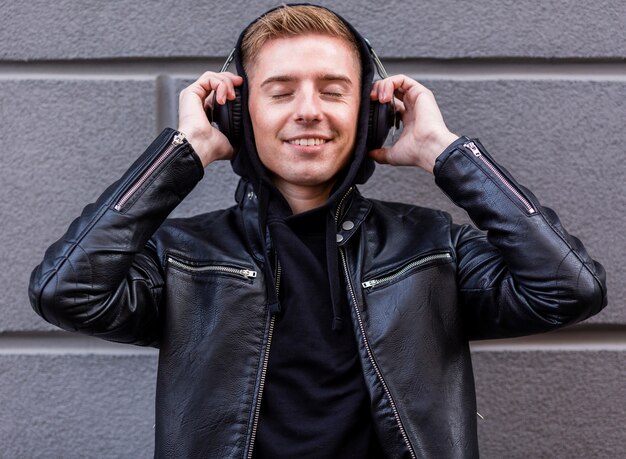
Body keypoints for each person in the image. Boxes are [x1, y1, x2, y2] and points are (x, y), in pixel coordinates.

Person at [29, 4, 607, 458]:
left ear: (370, 114)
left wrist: (443, 152)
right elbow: (66, 291)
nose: (309, 110)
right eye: (280, 92)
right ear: (238, 114)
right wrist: (184, 153)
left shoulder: (433, 248)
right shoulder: (184, 257)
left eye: (334, 91)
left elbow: (569, 290)